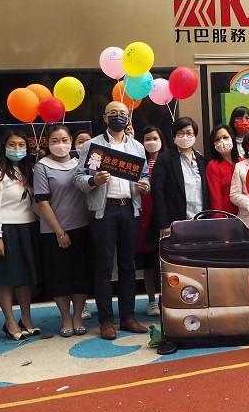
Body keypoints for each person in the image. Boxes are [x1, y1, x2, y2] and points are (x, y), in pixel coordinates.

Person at [72, 100, 152, 340]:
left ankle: (128, 317)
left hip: (130, 210)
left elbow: (145, 176)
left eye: (122, 113)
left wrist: (145, 185)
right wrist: (93, 181)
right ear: (105, 118)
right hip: (104, 211)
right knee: (104, 268)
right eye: (113, 113)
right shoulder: (93, 146)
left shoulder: (137, 147)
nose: (119, 117)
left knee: (128, 266)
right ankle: (106, 320)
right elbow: (77, 178)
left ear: (128, 118)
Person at [33, 125, 94, 337]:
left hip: (83, 227)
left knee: (81, 275)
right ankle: (66, 318)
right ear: (47, 143)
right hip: (54, 232)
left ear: (71, 141)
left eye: (65, 140)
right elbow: (43, 202)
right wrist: (60, 232)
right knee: (59, 277)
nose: (61, 145)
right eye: (55, 141)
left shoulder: (81, 162)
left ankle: (77, 317)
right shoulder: (42, 166)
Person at [0, 129, 40, 341]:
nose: (17, 149)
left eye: (21, 145)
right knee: (6, 279)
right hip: (6, 229)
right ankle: (9, 322)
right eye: (12, 145)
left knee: (25, 278)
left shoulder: (28, 170)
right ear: (4, 147)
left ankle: (26, 319)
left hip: (28, 227)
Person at [153, 117, 211, 233]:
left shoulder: (202, 161)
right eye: (180, 133)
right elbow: (157, 192)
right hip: (175, 222)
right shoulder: (164, 159)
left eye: (189, 133)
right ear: (174, 136)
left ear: (195, 136)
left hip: (201, 220)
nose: (185, 136)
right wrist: (164, 223)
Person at [137, 125, 164, 316]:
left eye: (155, 138)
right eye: (147, 139)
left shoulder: (168, 161)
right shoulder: (138, 163)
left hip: (163, 218)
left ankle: (166, 297)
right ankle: (151, 300)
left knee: (165, 261)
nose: (151, 142)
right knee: (147, 262)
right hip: (143, 217)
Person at [206, 123, 240, 216]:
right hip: (226, 216)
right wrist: (218, 219)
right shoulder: (213, 166)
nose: (222, 142)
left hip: (246, 215)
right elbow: (215, 197)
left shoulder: (243, 162)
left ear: (232, 138)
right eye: (217, 139)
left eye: (225, 137)